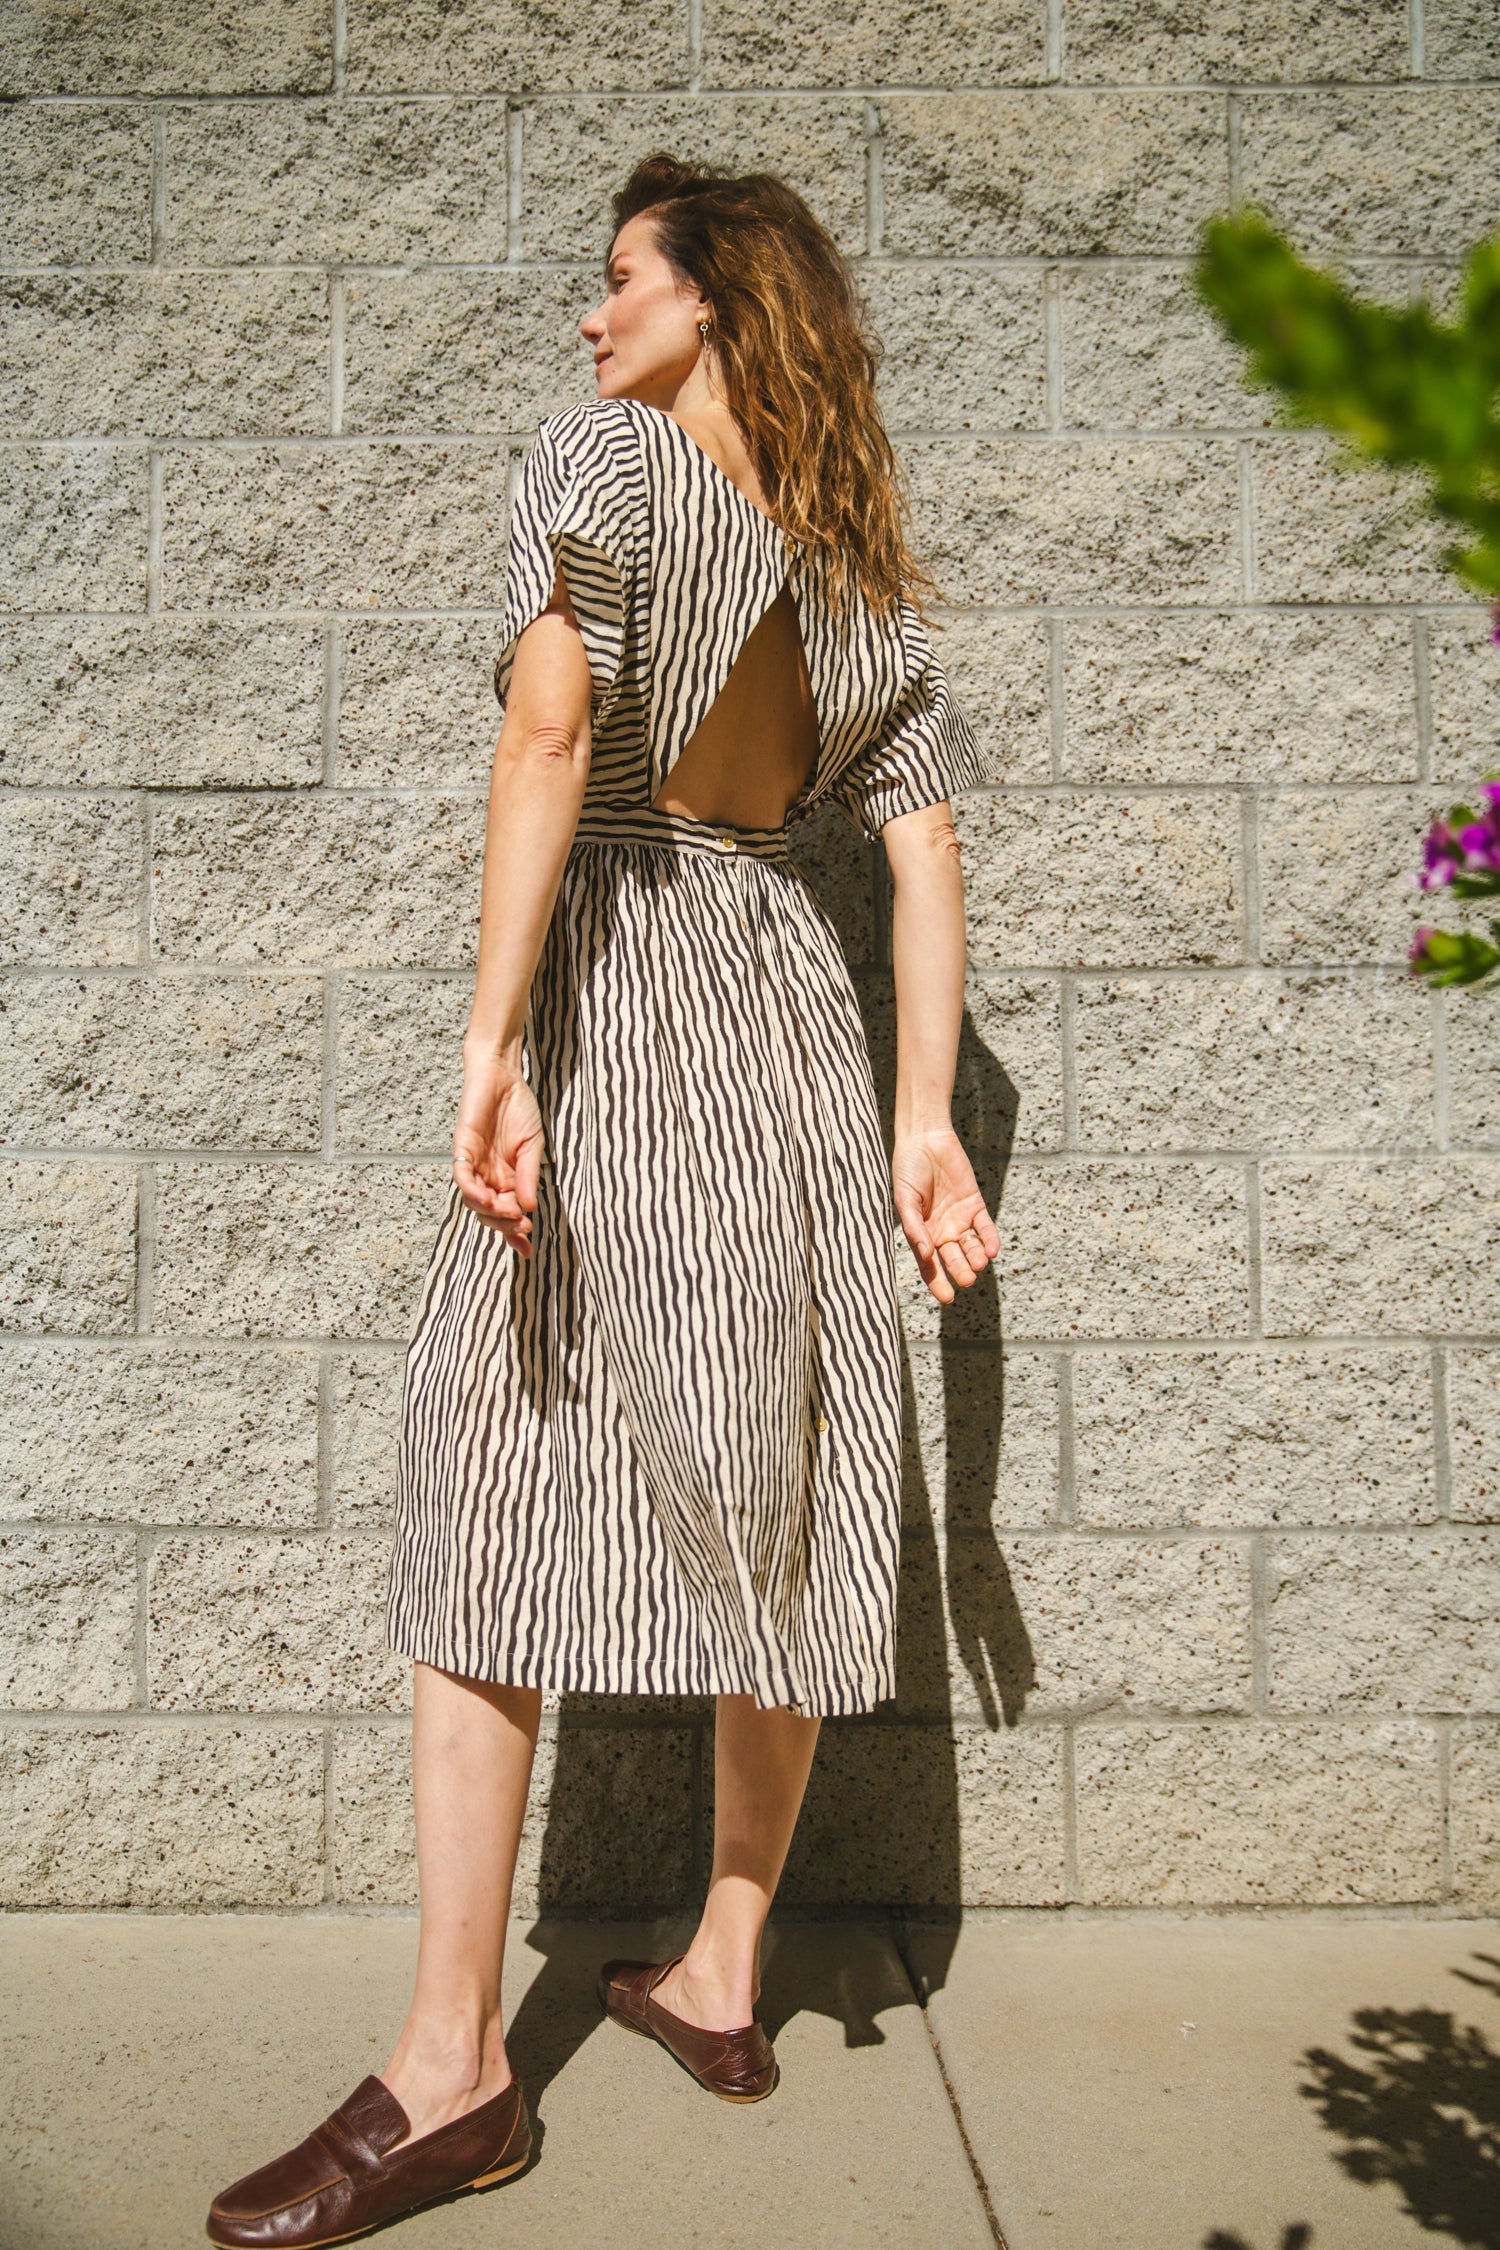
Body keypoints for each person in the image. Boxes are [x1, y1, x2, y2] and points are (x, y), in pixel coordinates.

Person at [206, 151, 1000, 2250]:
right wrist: (924, 1117)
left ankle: (455, 2067)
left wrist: (488, 1037)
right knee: (771, 1487)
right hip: (795, 1036)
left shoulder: (612, 470)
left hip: (637, 995)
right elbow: (921, 867)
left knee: (481, 1473)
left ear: (714, 298)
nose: (588, 317)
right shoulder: (853, 583)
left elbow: (554, 736)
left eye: (617, 278)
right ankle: (725, 1975)